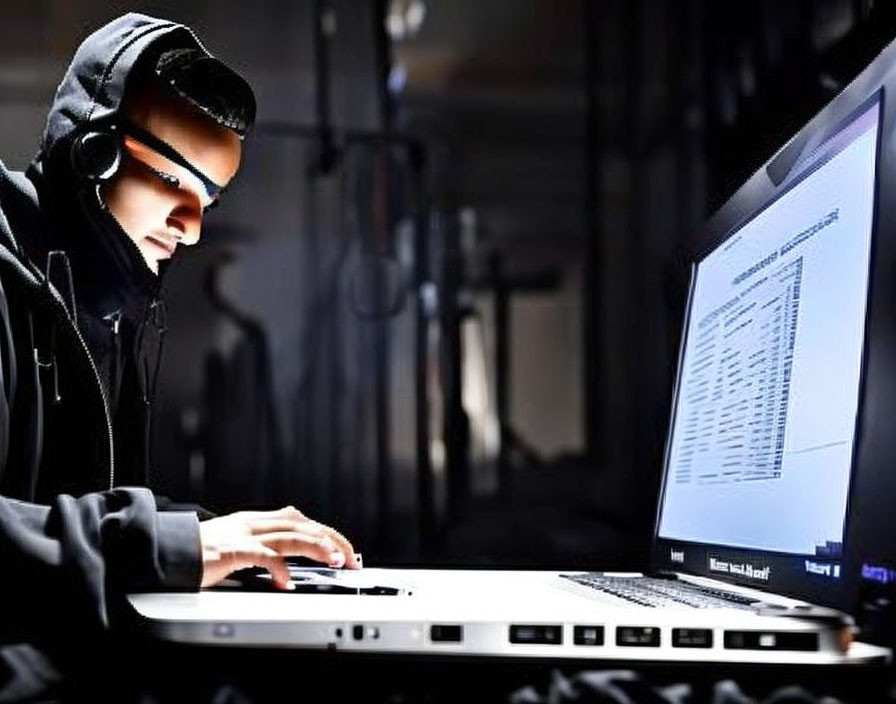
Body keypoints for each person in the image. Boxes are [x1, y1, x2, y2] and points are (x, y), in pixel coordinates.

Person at [0, 12, 359, 700]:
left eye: (208, 200)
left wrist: (213, 538)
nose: (192, 230)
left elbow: (70, 504)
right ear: (94, 154)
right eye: (173, 184)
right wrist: (170, 549)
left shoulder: (101, 300)